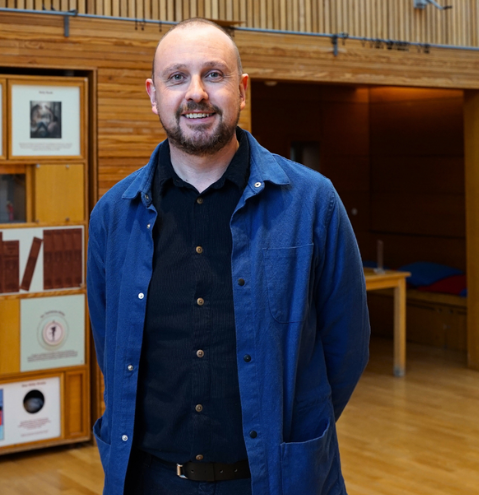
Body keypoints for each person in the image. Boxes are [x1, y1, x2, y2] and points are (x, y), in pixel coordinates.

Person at [87, 18, 370, 495]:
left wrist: (292, 428)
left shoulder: (311, 202)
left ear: (241, 90)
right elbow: (110, 342)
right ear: (153, 94)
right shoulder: (114, 215)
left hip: (273, 479)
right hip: (149, 480)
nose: (195, 92)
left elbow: (348, 346)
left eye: (213, 75)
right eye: (177, 77)